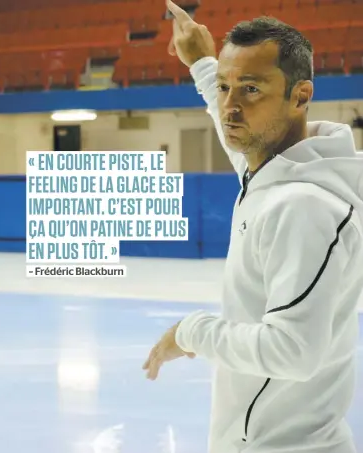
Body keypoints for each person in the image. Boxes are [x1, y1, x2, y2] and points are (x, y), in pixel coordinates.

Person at [143, 2, 363, 453]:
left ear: (300, 96)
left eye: (251, 89)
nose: (230, 107)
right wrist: (203, 65)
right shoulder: (279, 172)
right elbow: (235, 136)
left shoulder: (304, 205)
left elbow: (293, 351)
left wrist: (191, 331)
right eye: (226, 88)